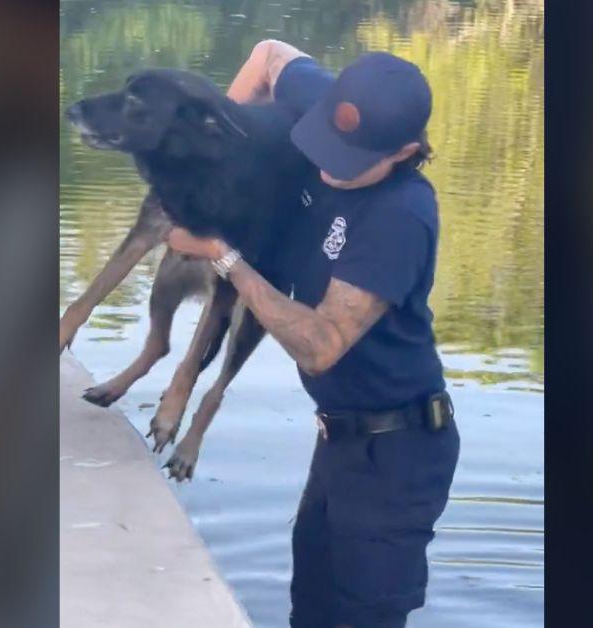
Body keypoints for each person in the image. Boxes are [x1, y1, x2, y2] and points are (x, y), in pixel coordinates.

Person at [166, 40, 459, 628]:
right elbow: (269, 54)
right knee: (312, 609)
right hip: (338, 441)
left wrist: (225, 258)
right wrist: (213, 168)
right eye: (329, 143)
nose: (329, 166)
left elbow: (321, 346)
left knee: (362, 617)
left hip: (397, 454)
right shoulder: (324, 100)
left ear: (403, 152)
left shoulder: (399, 216)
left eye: (350, 160)